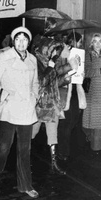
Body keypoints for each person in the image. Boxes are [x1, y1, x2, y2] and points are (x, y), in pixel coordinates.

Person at [0, 26, 39, 199]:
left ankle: (25, 185)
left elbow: (36, 83)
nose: (21, 43)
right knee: (5, 145)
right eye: (18, 39)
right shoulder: (4, 57)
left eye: (24, 40)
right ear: (13, 41)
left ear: (28, 42)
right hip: (9, 108)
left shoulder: (32, 59)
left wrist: (34, 97)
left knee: (25, 149)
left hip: (26, 109)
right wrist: (5, 96)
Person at [31, 33, 74, 175]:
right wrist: (51, 66)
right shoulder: (34, 62)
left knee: (52, 132)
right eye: (53, 50)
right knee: (33, 131)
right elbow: (42, 82)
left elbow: (54, 81)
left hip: (52, 102)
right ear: (46, 50)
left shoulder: (50, 62)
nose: (56, 53)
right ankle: (23, 154)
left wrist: (66, 78)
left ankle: (54, 163)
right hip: (39, 104)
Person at [82, 33, 101, 154]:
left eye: (100, 41)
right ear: (92, 43)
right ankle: (97, 146)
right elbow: (86, 71)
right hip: (93, 91)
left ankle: (94, 141)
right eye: (95, 41)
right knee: (95, 119)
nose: (98, 44)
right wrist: (100, 70)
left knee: (99, 119)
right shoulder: (88, 54)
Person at [57, 32, 84, 161]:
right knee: (66, 123)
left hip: (74, 91)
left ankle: (64, 148)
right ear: (74, 41)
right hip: (65, 91)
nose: (80, 44)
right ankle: (63, 151)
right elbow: (58, 71)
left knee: (73, 120)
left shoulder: (79, 53)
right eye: (79, 41)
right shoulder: (63, 53)